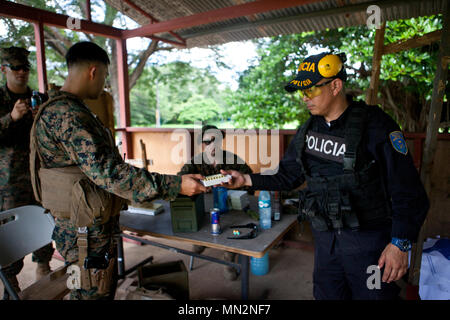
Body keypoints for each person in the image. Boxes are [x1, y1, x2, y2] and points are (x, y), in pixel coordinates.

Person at [222, 52, 429, 300]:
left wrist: (400, 244)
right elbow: (288, 175)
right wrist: (245, 180)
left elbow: (409, 192)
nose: (304, 98)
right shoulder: (308, 130)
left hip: (369, 244)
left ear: (335, 85)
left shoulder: (376, 125)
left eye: (310, 90)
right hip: (326, 244)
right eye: (301, 92)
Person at [30, 41, 207, 300]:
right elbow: (109, 173)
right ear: (93, 71)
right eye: (103, 76)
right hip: (86, 233)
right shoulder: (69, 115)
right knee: (93, 293)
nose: (103, 84)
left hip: (83, 225)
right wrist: (175, 185)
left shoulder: (61, 108)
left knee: (92, 289)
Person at [0, 46, 55, 298]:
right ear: (4, 70)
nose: (21, 72)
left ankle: (44, 273)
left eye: (25, 68)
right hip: (9, 181)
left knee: (44, 225)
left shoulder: (39, 97)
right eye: (16, 68)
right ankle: (11, 288)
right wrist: (11, 117)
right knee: (12, 233)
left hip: (40, 176)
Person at [178, 124, 253, 281]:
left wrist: (237, 190)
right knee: (200, 222)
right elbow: (180, 181)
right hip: (205, 208)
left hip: (230, 207)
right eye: (207, 141)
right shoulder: (194, 163)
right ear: (202, 144)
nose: (212, 145)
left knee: (235, 222)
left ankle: (228, 259)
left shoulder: (232, 160)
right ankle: (201, 241)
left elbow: (250, 179)